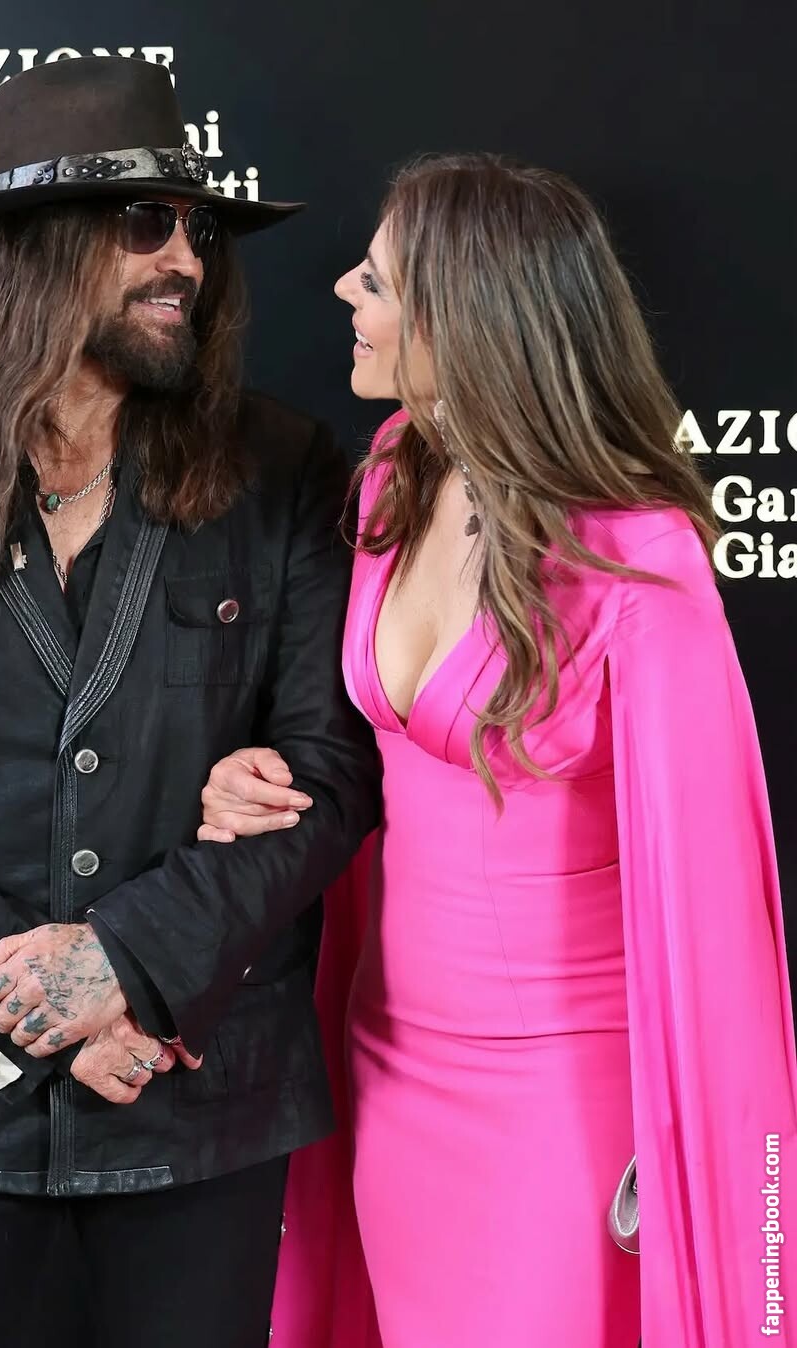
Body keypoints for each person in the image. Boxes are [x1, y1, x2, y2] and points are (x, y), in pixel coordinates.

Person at [0, 56, 378, 1348]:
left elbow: (331, 772)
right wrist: (55, 1010)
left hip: (198, 1102)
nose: (186, 261)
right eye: (146, 222)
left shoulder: (283, 469)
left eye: (197, 227)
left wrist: (131, 965)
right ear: (33, 246)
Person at [199, 153, 797, 1347]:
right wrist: (255, 774)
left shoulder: (638, 553)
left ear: (463, 317)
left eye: (376, 280)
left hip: (565, 1103)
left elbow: (710, 890)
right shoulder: (391, 476)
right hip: (385, 1064)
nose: (342, 291)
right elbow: (365, 763)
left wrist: (703, 1155)